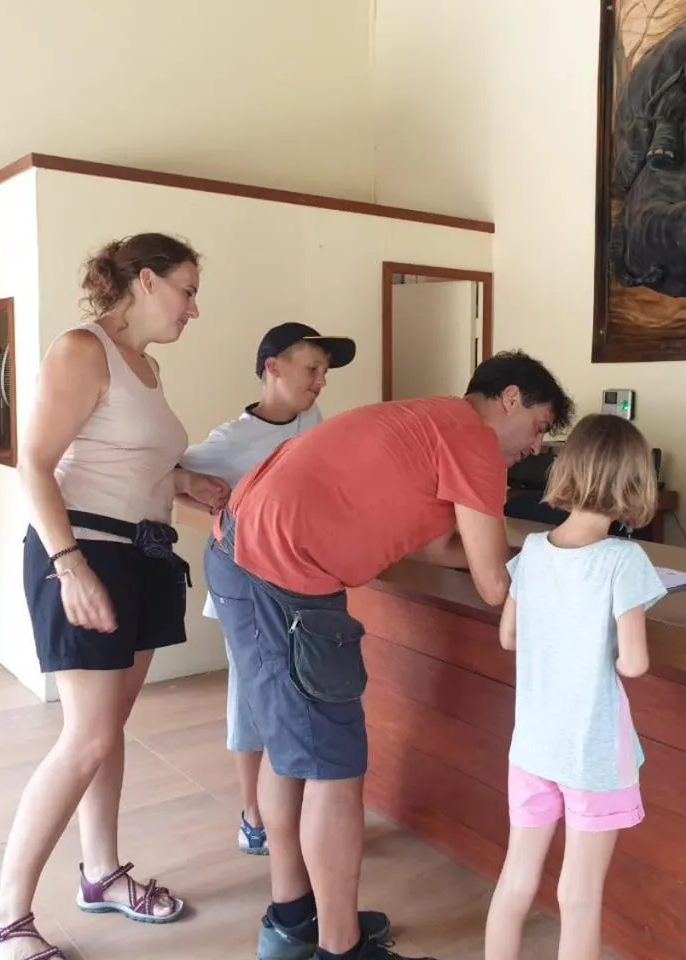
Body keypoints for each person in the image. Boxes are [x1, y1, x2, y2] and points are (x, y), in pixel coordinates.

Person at [205, 350, 573, 960]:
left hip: (238, 552)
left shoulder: (430, 420)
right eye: (538, 427)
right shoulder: (475, 442)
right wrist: (557, 569)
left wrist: (524, 544)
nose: (536, 446)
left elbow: (438, 547)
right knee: (333, 768)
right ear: (510, 399)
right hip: (285, 576)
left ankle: (293, 918)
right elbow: (493, 586)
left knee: (291, 748)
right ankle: (340, 947)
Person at [0, 233, 231, 960]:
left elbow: (124, 458)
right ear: (144, 282)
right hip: (85, 554)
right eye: (185, 289)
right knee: (85, 738)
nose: (193, 307)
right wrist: (69, 564)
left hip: (142, 557)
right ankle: (4, 918)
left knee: (105, 733)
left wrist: (184, 483)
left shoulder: (145, 366)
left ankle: (101, 873)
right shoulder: (81, 350)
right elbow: (36, 465)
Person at [483, 413, 665, 960]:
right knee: (579, 894)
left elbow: (509, 636)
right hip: (591, 753)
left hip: (533, 747)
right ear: (634, 483)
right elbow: (633, 664)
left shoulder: (533, 551)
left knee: (517, 875)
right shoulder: (624, 560)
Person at [178, 321, 356, 857]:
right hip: (247, 592)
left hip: (302, 587)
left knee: (297, 692)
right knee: (251, 701)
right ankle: (253, 812)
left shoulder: (311, 420)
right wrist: (211, 508)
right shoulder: (232, 441)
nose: (320, 380)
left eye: (324, 372)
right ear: (272, 368)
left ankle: (289, 805)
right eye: (312, 368)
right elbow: (169, 476)